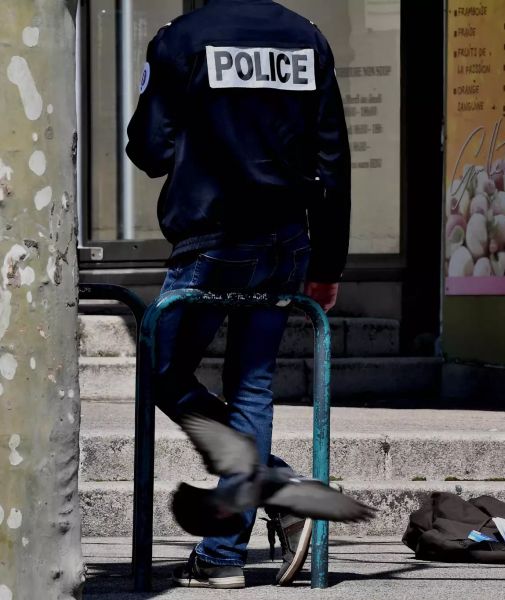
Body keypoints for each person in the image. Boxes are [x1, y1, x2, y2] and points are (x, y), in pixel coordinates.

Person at [126, 0, 351, 589]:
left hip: (214, 240)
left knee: (161, 369)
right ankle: (235, 541)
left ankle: (262, 507)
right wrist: (328, 263)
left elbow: (148, 150)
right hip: (287, 243)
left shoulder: (183, 38)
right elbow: (333, 160)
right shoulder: (305, 37)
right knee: (251, 385)